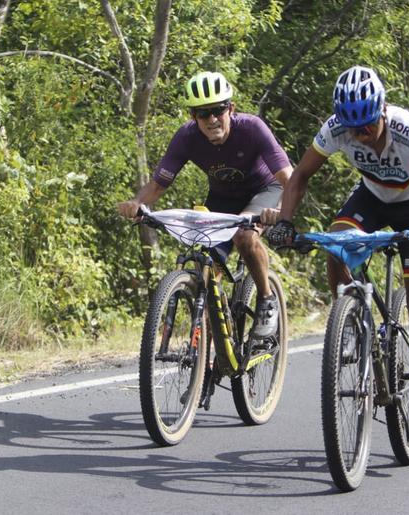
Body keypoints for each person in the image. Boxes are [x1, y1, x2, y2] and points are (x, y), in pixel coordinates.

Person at [263, 65, 409, 442]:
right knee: (337, 245)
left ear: (382, 111)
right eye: (353, 128)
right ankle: (351, 320)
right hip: (372, 198)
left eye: (368, 126)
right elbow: (301, 175)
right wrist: (286, 222)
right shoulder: (336, 128)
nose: (361, 135)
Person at [117, 71, 293, 338]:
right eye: (203, 113)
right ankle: (213, 344)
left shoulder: (252, 128)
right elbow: (157, 186)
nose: (212, 120)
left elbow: (288, 178)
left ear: (230, 109)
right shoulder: (187, 137)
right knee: (205, 269)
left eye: (218, 111)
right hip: (222, 199)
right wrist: (136, 203)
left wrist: (283, 212)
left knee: (244, 236)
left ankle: (267, 300)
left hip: (265, 191)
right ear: (193, 117)